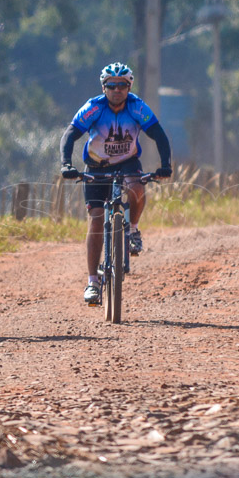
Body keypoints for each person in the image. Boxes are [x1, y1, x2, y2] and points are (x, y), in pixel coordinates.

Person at [59, 62, 172, 305]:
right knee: (97, 218)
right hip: (96, 167)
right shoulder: (94, 108)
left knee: (137, 186)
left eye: (122, 85)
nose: (117, 90)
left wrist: (166, 165)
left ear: (129, 87)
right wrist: (66, 164)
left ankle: (132, 228)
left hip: (127, 162)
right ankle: (92, 282)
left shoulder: (137, 107)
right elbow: (70, 134)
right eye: (112, 86)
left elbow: (158, 134)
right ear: (104, 87)